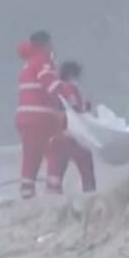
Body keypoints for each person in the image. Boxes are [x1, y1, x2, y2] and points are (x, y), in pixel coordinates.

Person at [15, 30, 72, 199]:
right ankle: (53, 192)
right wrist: (69, 95)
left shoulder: (28, 62)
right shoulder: (43, 61)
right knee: (58, 150)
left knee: (31, 155)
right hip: (41, 117)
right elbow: (51, 84)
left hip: (26, 117)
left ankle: (27, 194)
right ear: (45, 44)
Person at [45, 61, 96, 194]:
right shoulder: (70, 88)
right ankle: (89, 198)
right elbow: (76, 109)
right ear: (72, 74)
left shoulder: (53, 88)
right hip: (73, 136)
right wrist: (87, 108)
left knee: (54, 175)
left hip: (55, 137)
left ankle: (51, 205)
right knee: (87, 171)